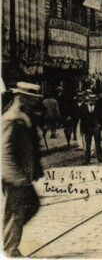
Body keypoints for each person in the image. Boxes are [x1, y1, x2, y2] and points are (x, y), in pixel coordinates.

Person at [2, 82, 44, 257]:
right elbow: (3, 151)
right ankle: (10, 250)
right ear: (21, 97)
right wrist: (14, 177)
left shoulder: (23, 116)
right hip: (13, 176)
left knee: (31, 205)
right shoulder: (11, 119)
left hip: (22, 174)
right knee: (16, 212)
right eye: (31, 99)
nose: (34, 102)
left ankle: (8, 237)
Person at [78, 92, 102, 164]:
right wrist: (82, 130)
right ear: (88, 100)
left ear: (95, 101)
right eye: (90, 100)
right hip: (87, 128)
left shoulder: (98, 107)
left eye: (93, 100)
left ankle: (100, 158)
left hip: (96, 127)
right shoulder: (83, 107)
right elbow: (81, 119)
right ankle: (87, 160)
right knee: (87, 144)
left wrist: (100, 125)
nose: (92, 101)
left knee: (98, 144)